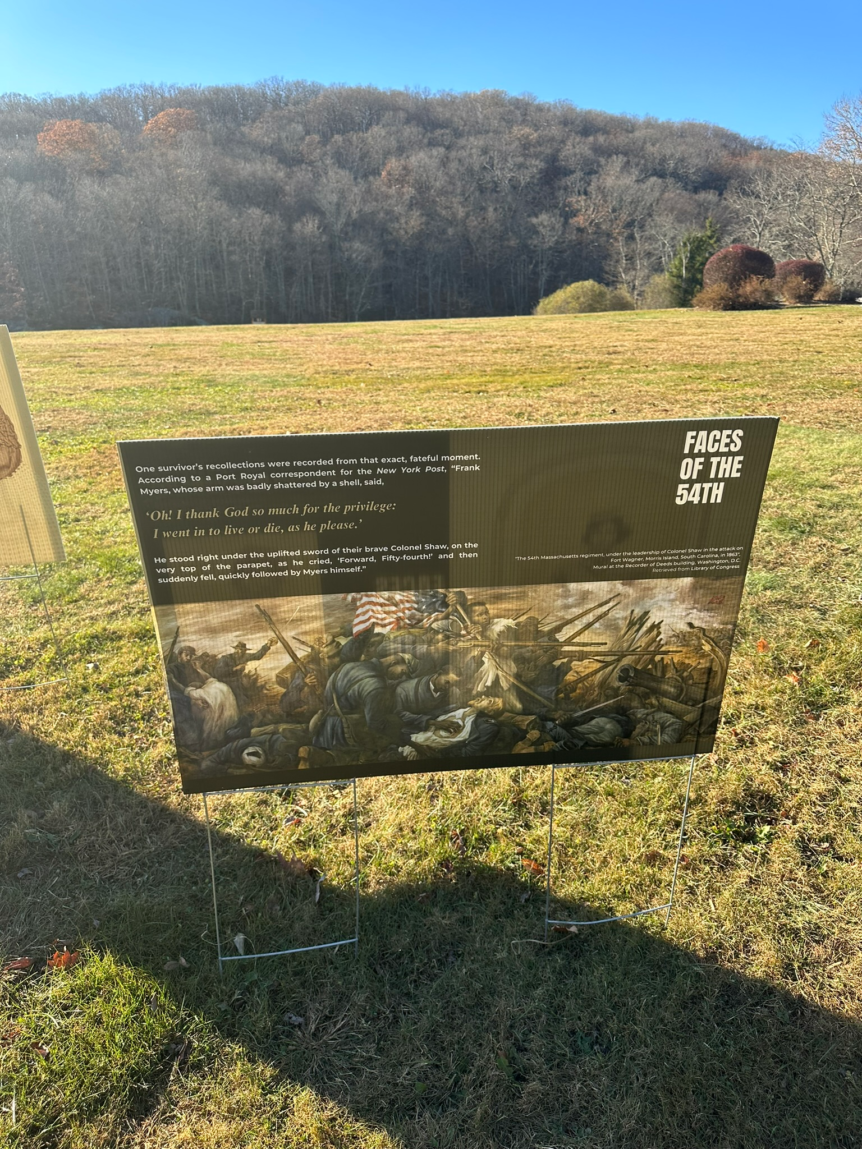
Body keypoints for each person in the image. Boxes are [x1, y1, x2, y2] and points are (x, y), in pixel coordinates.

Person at [167, 646, 239, 750]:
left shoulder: (191, 666)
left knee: (221, 691)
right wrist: (193, 699)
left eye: (191, 655)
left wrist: (198, 669)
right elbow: (180, 689)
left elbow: (209, 679)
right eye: (186, 655)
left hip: (198, 691)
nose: (189, 658)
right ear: (179, 655)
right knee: (212, 704)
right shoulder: (172, 668)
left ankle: (221, 733)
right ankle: (204, 741)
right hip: (184, 697)